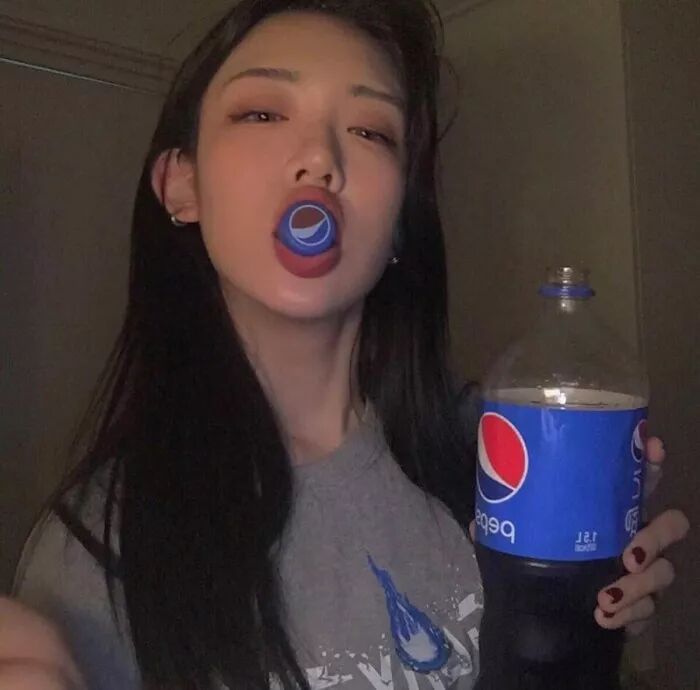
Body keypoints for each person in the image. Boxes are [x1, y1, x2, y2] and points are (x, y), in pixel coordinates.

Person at [4, 1, 690, 689]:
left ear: (398, 222)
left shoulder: (492, 453)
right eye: (262, 113)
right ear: (182, 186)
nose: (319, 158)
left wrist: (583, 610)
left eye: (370, 130)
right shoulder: (90, 551)